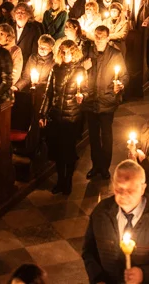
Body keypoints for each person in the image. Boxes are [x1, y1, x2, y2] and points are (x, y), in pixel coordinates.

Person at [81, 160, 149, 284]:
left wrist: (144, 274)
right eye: (119, 188)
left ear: (142, 188)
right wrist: (97, 278)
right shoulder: (101, 213)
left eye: (130, 189)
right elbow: (89, 251)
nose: (124, 194)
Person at [38, 40, 87, 195]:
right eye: (63, 52)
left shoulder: (80, 70)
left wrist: (82, 96)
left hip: (71, 117)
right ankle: (60, 181)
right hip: (56, 116)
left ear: (74, 53)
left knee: (69, 152)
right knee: (58, 151)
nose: (66, 55)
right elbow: (48, 93)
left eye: (69, 52)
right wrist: (42, 114)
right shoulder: (55, 69)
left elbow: (86, 91)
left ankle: (68, 181)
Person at [82, 25, 128, 181]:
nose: (99, 39)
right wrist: (84, 68)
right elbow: (79, 71)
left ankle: (105, 167)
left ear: (108, 38)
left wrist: (120, 84)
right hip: (90, 100)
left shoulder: (115, 54)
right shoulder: (88, 52)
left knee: (106, 136)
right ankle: (95, 165)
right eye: (96, 36)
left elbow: (124, 76)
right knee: (93, 136)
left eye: (102, 36)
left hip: (107, 100)